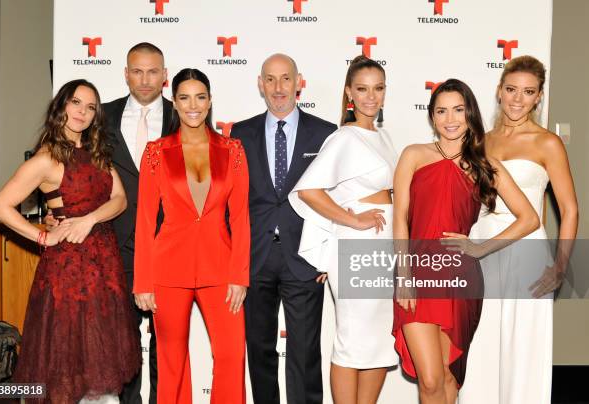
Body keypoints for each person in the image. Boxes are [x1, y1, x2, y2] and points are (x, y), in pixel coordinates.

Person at [0, 79, 141, 403]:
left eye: (90, 107)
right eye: (76, 103)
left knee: (100, 360)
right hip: (68, 271)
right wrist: (43, 235)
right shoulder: (46, 159)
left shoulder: (97, 153)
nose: (82, 112)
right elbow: (0, 206)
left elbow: (120, 199)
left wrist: (89, 219)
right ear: (61, 106)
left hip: (104, 268)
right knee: (67, 362)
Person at [392, 78, 540, 404]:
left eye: (458, 109)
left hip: (460, 277)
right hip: (415, 272)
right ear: (432, 117)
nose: (450, 119)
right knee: (430, 380)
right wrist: (403, 274)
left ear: (469, 112)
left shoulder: (485, 165)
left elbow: (529, 218)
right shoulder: (413, 155)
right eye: (441, 111)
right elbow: (400, 217)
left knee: (447, 378)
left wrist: (479, 248)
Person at [459, 56, 578, 404]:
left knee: (522, 349)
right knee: (480, 345)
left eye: (528, 92)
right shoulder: (481, 141)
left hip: (526, 251)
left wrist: (560, 266)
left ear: (539, 97)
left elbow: (569, 209)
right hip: (482, 249)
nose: (517, 99)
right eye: (511, 89)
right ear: (499, 91)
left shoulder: (547, 143)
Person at [133, 68, 250, 403]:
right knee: (172, 362)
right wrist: (143, 281)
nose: (193, 105)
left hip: (222, 269)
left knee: (230, 356)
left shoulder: (233, 150)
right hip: (168, 270)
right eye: (184, 97)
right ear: (175, 103)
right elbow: (144, 220)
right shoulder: (157, 151)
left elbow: (241, 218)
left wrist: (239, 276)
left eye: (200, 97)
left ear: (210, 101)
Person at [288, 55, 398, 403]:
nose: (370, 96)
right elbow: (308, 191)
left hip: (383, 247)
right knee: (352, 339)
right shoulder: (344, 138)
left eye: (378, 88)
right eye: (362, 89)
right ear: (349, 92)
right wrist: (352, 220)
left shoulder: (382, 136)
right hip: (356, 245)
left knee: (379, 338)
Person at [230, 53, 337, 404]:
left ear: (298, 81)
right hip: (255, 257)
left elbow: (335, 196)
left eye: (285, 78)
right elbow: (232, 199)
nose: (278, 88)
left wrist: (328, 254)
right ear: (260, 84)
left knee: (305, 354)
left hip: (304, 258)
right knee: (259, 351)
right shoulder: (239, 134)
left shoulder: (325, 133)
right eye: (271, 79)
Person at [104, 42, 171, 404]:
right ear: (126, 73)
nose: (145, 79)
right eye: (137, 70)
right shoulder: (102, 115)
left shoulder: (184, 116)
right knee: (125, 345)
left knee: (166, 345)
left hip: (168, 246)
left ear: (165, 76)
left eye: (153, 71)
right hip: (117, 245)